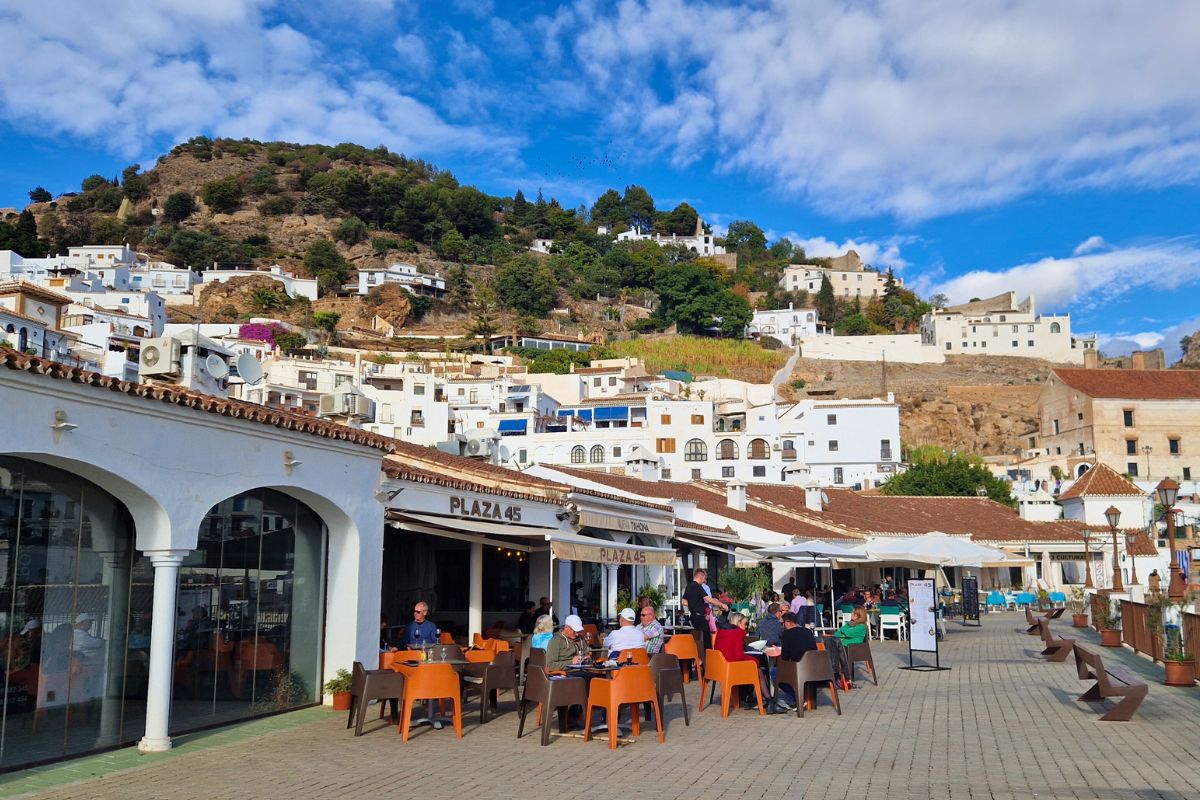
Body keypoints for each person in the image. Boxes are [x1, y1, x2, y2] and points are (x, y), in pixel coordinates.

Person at [713, 612, 772, 709]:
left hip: (720, 667)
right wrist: (754, 661)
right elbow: (738, 656)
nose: (746, 627)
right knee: (758, 669)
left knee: (753, 667)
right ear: (738, 622)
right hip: (731, 668)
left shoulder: (722, 631)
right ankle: (768, 699)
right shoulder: (738, 633)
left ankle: (753, 697)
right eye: (745, 624)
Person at [776, 611, 818, 710]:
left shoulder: (786, 634)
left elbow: (785, 658)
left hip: (799, 669)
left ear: (786, 622)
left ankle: (796, 699)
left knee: (774, 673)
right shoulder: (807, 631)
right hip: (814, 667)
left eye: (782, 624)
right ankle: (803, 698)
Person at [682, 569, 722, 657]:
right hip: (700, 618)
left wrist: (694, 604)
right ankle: (706, 663)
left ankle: (698, 660)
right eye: (704, 578)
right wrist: (721, 604)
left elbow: (684, 601)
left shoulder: (688, 587)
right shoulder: (698, 587)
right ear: (701, 577)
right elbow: (708, 599)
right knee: (706, 643)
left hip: (693, 617)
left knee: (698, 641)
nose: (704, 580)